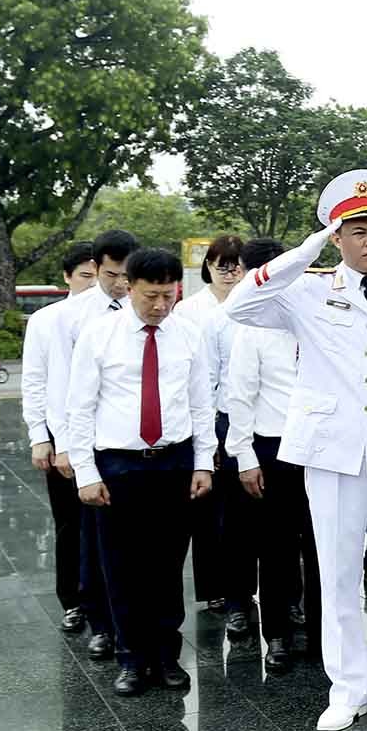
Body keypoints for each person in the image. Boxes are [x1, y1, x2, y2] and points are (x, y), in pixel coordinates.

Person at [224, 170, 367, 731]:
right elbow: (240, 306)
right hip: (332, 451)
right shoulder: (307, 288)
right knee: (340, 573)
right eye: (358, 231)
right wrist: (304, 252)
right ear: (336, 237)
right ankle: (345, 688)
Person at [64, 248, 216, 696]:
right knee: (122, 567)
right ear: (129, 287)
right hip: (119, 465)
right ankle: (131, 658)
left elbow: (201, 403)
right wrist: (86, 472)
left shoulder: (188, 334)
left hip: (174, 462)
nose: (160, 306)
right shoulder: (99, 335)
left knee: (168, 566)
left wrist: (203, 463)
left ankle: (167, 656)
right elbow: (80, 408)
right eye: (151, 296)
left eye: (169, 296)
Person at [50, 228, 140, 660]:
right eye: (110, 275)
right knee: (94, 541)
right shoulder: (71, 317)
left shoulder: (150, 309)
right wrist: (65, 445)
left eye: (126, 275)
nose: (120, 284)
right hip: (94, 445)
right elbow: (60, 388)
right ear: (96, 267)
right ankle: (100, 624)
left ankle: (137, 629)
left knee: (137, 547)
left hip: (137, 444)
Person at [225, 237, 314, 673]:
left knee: (320, 547)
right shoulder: (253, 327)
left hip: (320, 447)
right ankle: (276, 635)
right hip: (273, 449)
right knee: (276, 548)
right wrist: (244, 456)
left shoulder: (317, 318)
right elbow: (240, 395)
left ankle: (321, 634)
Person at [20, 240, 99, 635]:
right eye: (85, 276)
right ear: (67, 277)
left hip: (106, 432)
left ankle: (105, 599)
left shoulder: (116, 317)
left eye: (98, 276)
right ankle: (73, 601)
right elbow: (34, 381)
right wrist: (40, 436)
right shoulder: (47, 320)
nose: (92, 284)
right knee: (70, 522)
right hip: (60, 429)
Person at [177, 234, 246, 630]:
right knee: (207, 508)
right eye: (222, 265)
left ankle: (242, 587)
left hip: (245, 415)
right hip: (207, 415)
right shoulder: (189, 309)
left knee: (239, 509)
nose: (229, 272)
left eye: (236, 265)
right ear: (208, 267)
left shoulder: (253, 303)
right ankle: (212, 587)